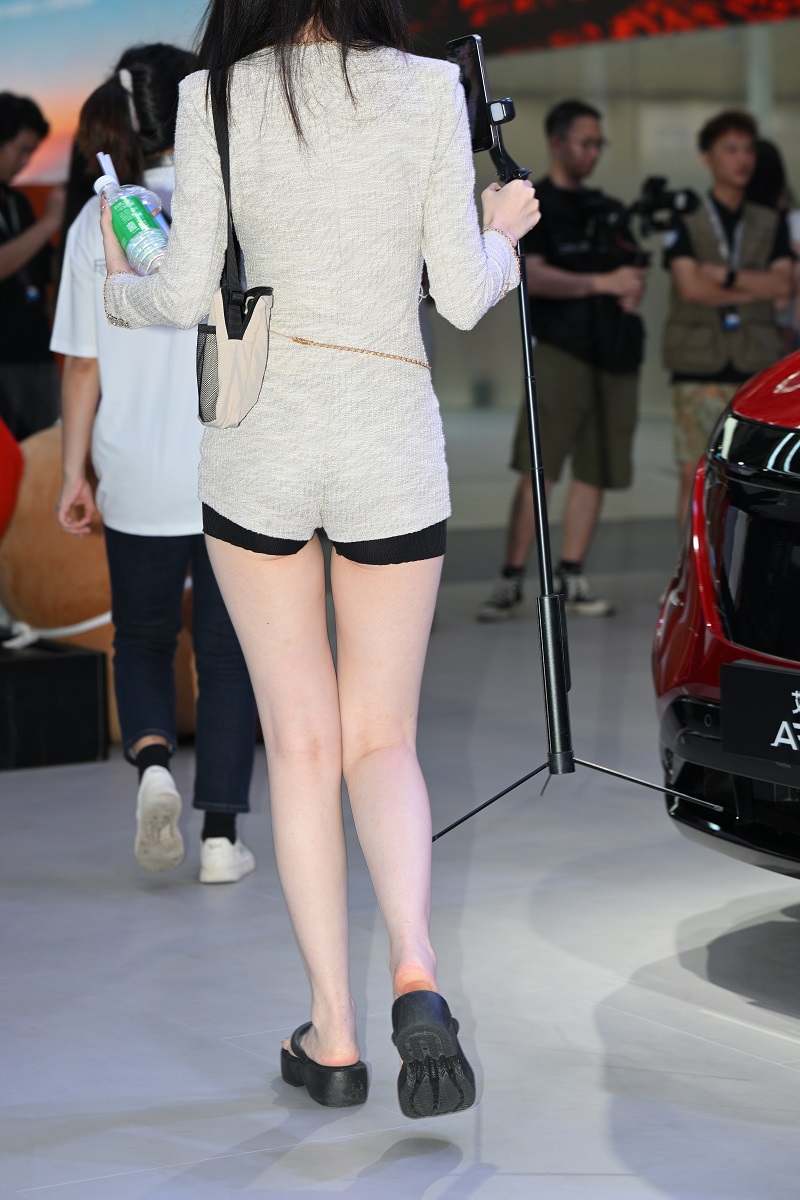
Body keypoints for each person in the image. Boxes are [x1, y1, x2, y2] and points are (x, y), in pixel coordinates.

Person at [99, 1, 539, 1116]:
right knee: (381, 737)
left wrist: (116, 276)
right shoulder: (425, 88)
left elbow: (180, 290)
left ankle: (332, 1037)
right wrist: (503, 230)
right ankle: (415, 970)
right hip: (389, 444)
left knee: (299, 744)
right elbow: (462, 295)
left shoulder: (213, 96)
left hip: (261, 448)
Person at [52, 45, 258, 885]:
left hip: (134, 467)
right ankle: (220, 841)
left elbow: (81, 366)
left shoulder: (97, 219)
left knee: (140, 640)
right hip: (232, 464)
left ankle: (152, 771)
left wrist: (73, 473)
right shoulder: (235, 207)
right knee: (228, 654)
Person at [478, 99, 646, 622]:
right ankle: (511, 578)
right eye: (584, 141)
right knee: (540, 471)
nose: (592, 152)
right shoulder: (535, 205)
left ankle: (572, 573)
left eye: (599, 143)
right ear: (557, 142)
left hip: (614, 356)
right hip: (558, 354)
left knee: (595, 472)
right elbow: (535, 275)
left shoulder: (608, 209)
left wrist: (630, 287)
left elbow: (632, 269)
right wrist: (603, 283)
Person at [663, 110, 793, 526]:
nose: (742, 159)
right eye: (730, 149)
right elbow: (690, 287)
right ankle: (693, 561)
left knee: (749, 480)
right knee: (694, 474)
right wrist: (755, 289)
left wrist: (726, 276)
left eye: (748, 150)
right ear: (708, 158)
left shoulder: (768, 221)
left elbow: (783, 286)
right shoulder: (687, 217)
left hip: (754, 364)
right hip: (697, 364)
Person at [0, 93, 64, 441]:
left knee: (42, 455)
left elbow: (44, 273)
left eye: (32, 152)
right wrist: (49, 222)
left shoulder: (18, 202)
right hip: (4, 361)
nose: (26, 162)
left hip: (36, 353)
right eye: (22, 150)